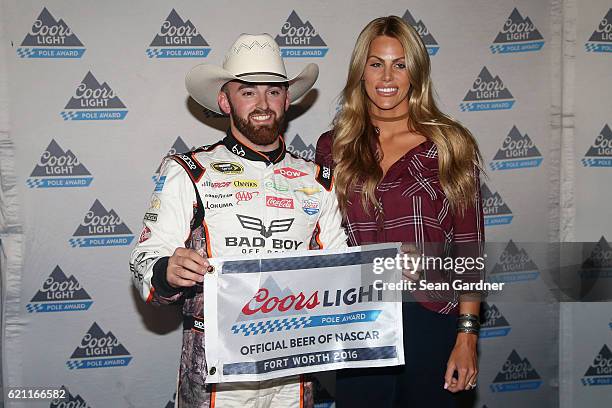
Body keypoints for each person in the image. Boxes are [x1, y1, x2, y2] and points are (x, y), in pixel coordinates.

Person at [130, 33, 347, 408]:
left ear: (288, 99)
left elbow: (341, 267)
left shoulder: (319, 178)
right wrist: (168, 269)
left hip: (292, 370)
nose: (263, 104)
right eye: (248, 91)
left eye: (274, 91)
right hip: (218, 371)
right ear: (224, 101)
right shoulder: (190, 170)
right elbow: (144, 262)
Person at [316, 16, 485, 407]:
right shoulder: (333, 146)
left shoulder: (450, 144)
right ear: (361, 71)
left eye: (400, 63)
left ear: (416, 72)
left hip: (430, 315)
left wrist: (467, 333)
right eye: (376, 63)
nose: (387, 75)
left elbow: (470, 249)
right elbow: (323, 239)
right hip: (359, 317)